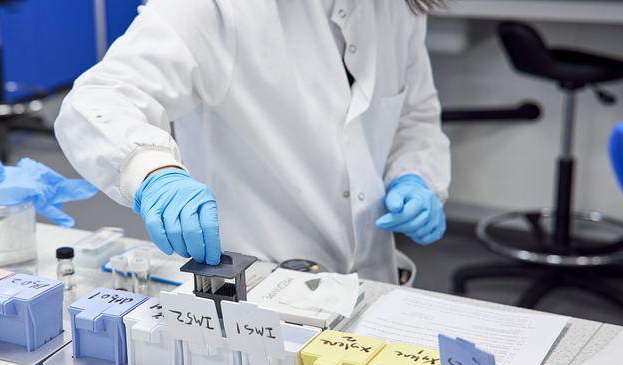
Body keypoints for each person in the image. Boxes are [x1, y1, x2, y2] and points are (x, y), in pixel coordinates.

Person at [55, 0, 451, 284]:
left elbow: (413, 116)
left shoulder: (398, 7)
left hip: (372, 279)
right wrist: (155, 173)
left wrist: (414, 175)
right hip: (258, 284)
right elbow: (98, 99)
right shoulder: (218, 8)